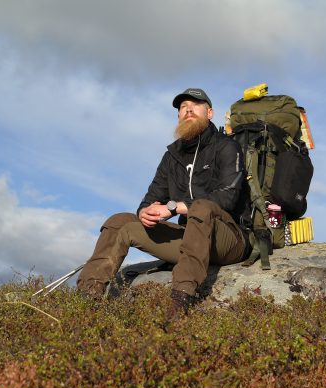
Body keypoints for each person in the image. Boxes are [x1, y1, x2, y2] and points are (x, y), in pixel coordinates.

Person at [76, 88, 250, 317]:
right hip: (191, 239)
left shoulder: (226, 146)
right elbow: (151, 198)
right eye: (183, 107)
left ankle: (181, 299)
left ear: (210, 113)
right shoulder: (172, 156)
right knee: (119, 221)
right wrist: (144, 212)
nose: (188, 110)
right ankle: (87, 301)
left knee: (201, 207)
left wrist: (176, 207)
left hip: (229, 240)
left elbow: (228, 196)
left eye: (195, 105)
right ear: (178, 116)